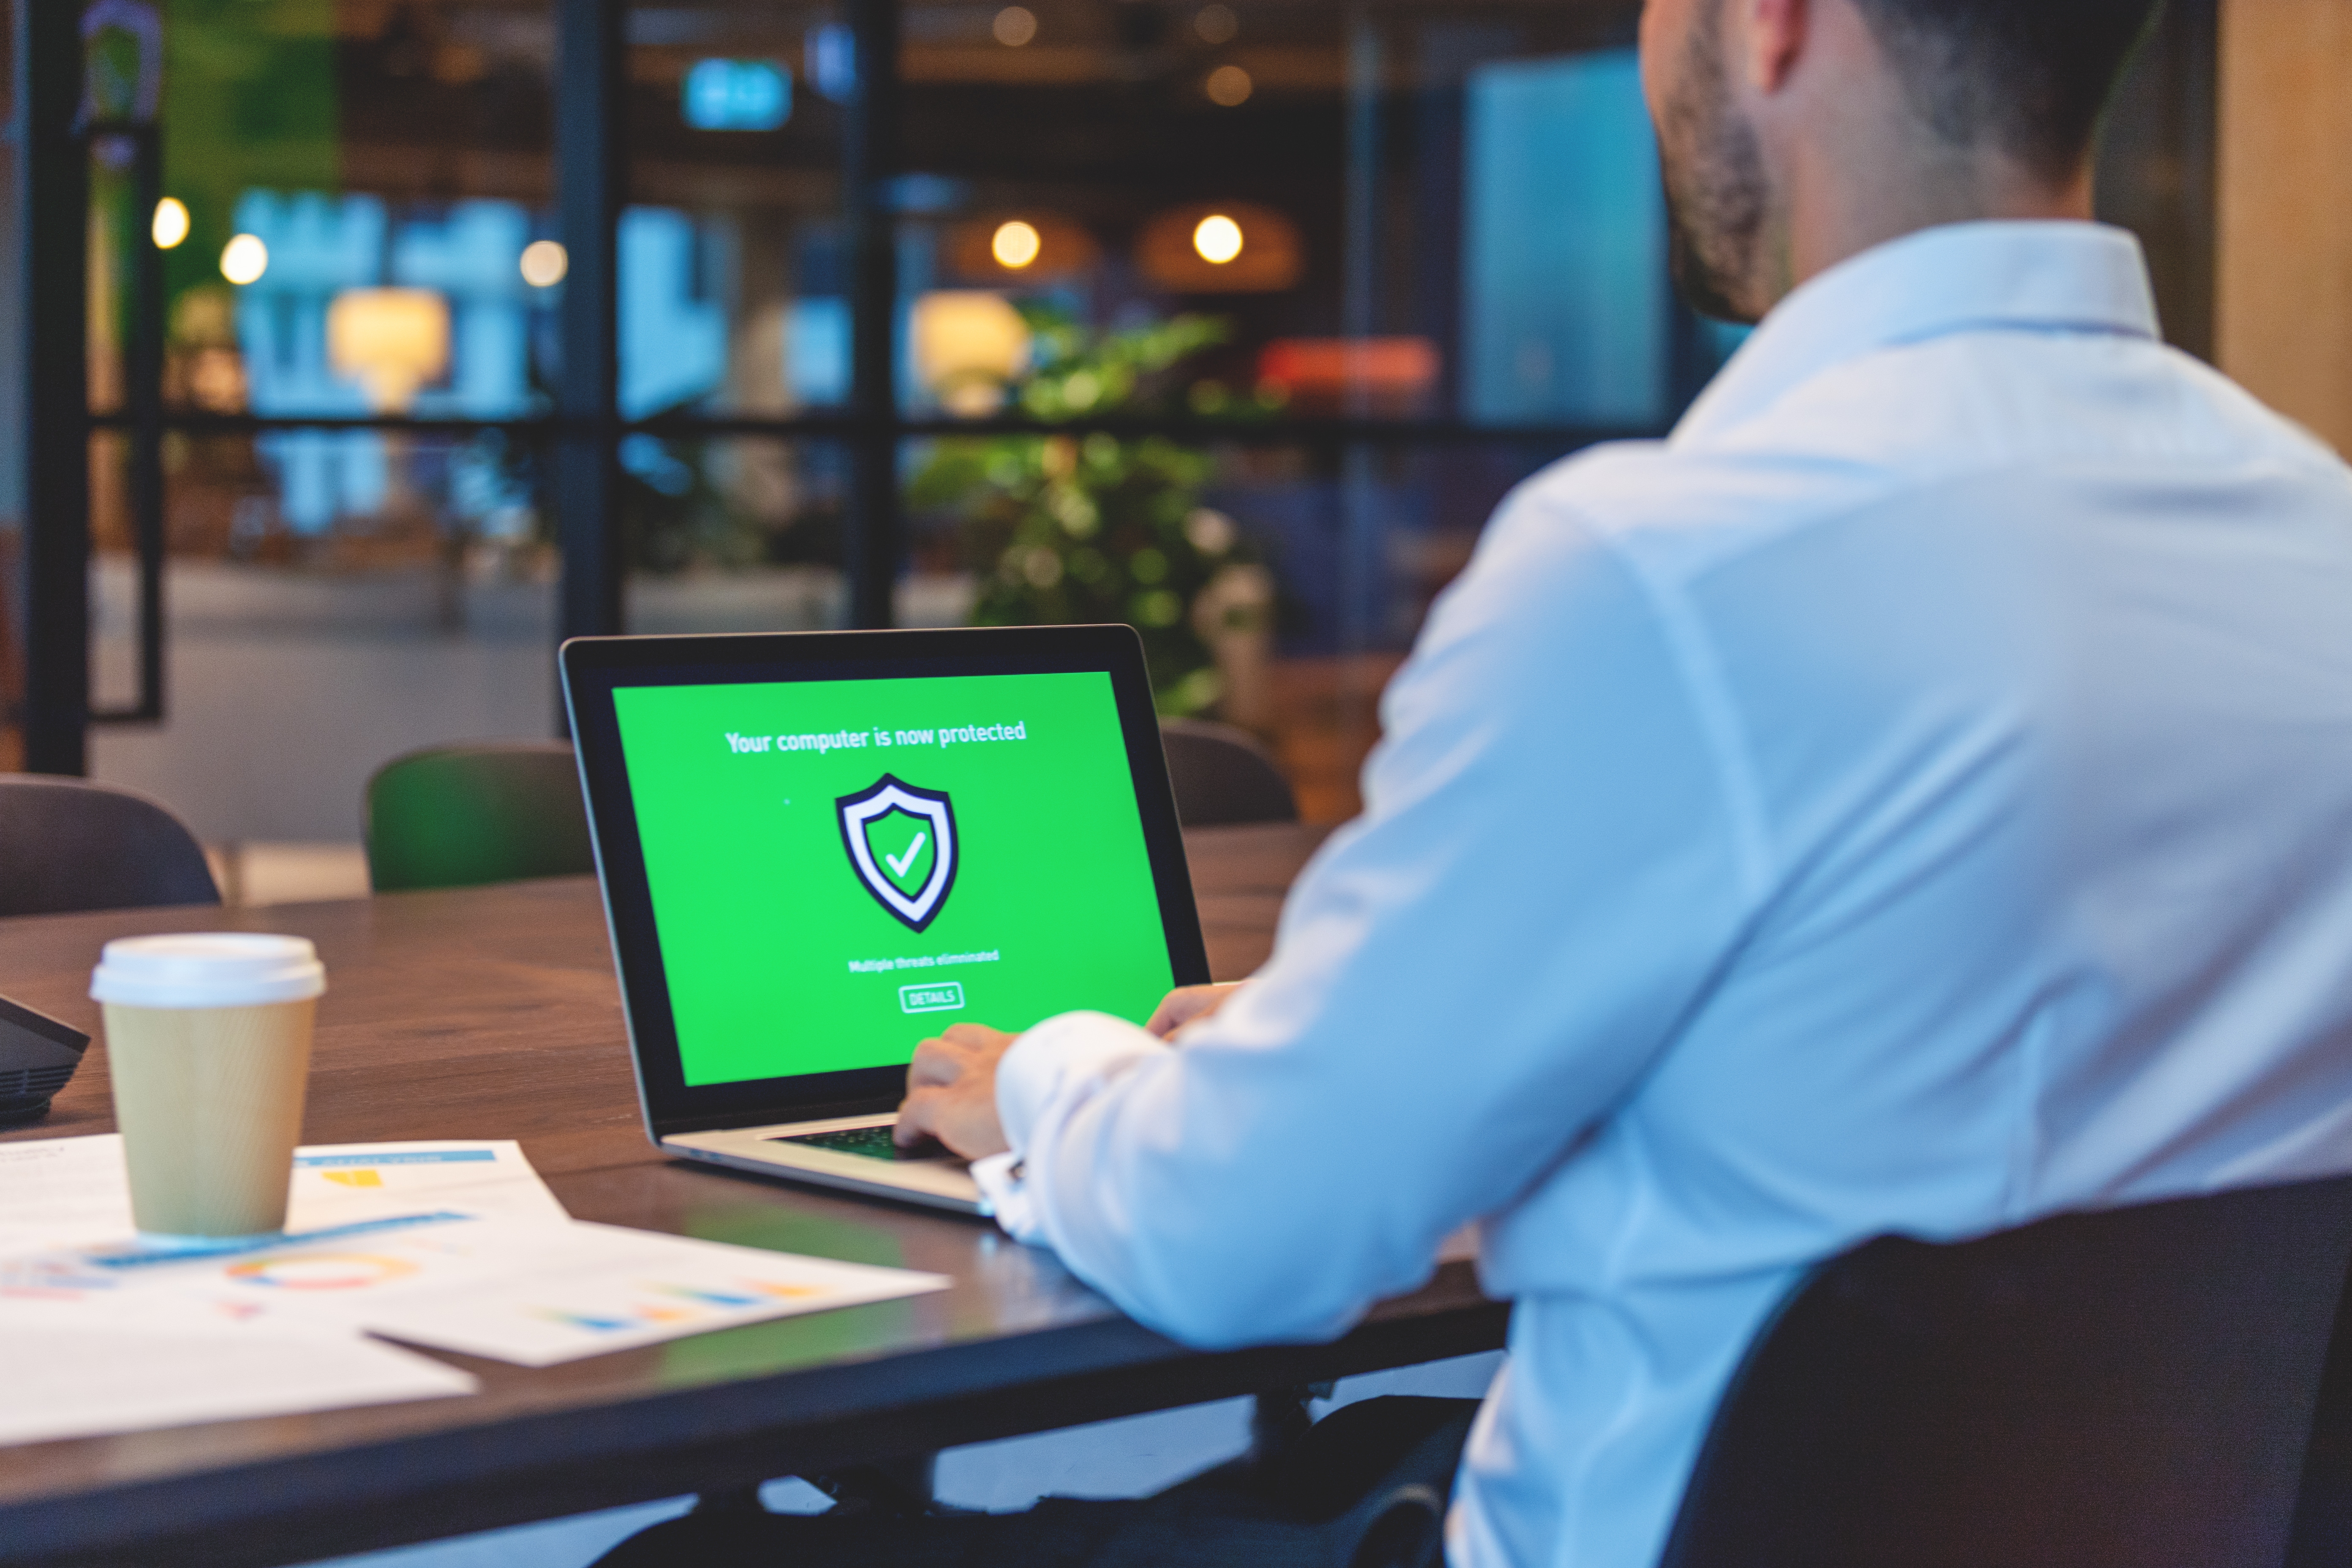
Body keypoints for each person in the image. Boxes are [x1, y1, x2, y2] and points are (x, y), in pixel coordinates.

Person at [890, 0, 2352, 1564]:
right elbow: (1946, 1071)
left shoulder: (1664, 573)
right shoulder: (2315, 535)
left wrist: (1054, 1071)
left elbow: (1243, 1242)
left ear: (1777, 26)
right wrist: (1361, 1033)